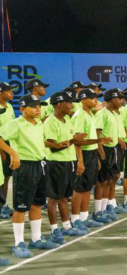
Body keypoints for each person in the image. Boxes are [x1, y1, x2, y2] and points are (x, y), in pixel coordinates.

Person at [0, 93, 58, 259]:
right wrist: (13, 153)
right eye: (33, 106)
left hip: (40, 165)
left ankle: (36, 238)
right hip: (25, 167)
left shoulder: (39, 123)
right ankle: (18, 243)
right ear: (22, 109)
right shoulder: (16, 124)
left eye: (39, 106)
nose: (37, 109)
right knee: (21, 206)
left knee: (37, 204)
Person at [42, 91, 85, 244]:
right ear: (59, 105)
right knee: (53, 198)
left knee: (64, 197)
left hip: (68, 162)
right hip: (56, 163)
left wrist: (79, 160)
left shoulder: (67, 119)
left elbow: (72, 142)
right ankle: (54, 229)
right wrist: (73, 140)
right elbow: (53, 148)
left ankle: (66, 226)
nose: (72, 105)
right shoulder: (50, 122)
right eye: (68, 103)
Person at [71, 88, 112, 230]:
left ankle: (84, 217)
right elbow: (77, 141)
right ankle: (75, 220)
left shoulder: (91, 114)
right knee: (79, 188)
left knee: (88, 186)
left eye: (96, 98)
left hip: (92, 154)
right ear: (83, 100)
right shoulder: (80, 116)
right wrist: (80, 161)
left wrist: (97, 156)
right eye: (92, 98)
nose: (96, 101)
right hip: (83, 155)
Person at [95, 88, 127, 219]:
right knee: (101, 181)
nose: (123, 100)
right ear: (112, 99)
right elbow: (97, 134)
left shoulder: (115, 114)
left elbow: (114, 132)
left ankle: (105, 208)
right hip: (105, 150)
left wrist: (119, 140)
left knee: (110, 179)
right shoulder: (101, 114)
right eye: (120, 98)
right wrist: (101, 153)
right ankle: (98, 212)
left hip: (114, 148)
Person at [0, 82, 16, 221]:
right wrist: (3, 152)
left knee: (6, 178)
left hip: (9, 145)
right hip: (2, 147)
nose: (12, 93)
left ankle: (3, 204)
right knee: (2, 178)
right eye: (9, 91)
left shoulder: (9, 106)